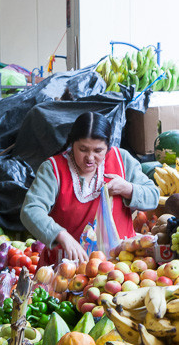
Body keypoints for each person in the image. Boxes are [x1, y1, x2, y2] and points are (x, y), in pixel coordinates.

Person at [20, 111, 160, 264]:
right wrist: (61, 235)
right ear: (72, 144)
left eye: (98, 151)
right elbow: (31, 210)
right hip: (67, 268)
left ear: (108, 146)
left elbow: (153, 196)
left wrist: (128, 188)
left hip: (121, 267)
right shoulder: (53, 169)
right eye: (83, 149)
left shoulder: (122, 160)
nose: (90, 158)